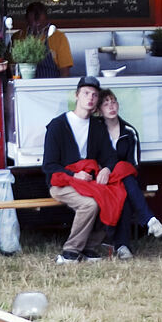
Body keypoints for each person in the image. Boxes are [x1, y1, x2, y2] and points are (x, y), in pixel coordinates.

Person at [42, 77, 115, 262]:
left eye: (94, 95)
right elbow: (49, 165)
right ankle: (71, 251)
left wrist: (106, 168)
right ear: (77, 96)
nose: (90, 98)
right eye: (86, 93)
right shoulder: (58, 126)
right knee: (89, 204)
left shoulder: (97, 127)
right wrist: (74, 174)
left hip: (88, 183)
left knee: (113, 196)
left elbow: (109, 156)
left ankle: (89, 247)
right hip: (61, 183)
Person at [97, 89, 162, 256]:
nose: (111, 106)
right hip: (101, 179)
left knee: (125, 180)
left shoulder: (129, 131)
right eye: (106, 104)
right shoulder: (95, 130)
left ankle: (122, 246)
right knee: (124, 181)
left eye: (113, 102)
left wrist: (115, 172)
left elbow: (133, 164)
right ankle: (149, 221)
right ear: (99, 109)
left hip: (123, 179)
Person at [18, 2, 72, 78]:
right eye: (32, 24)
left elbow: (65, 71)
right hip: (24, 86)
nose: (36, 28)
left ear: (47, 21)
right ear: (26, 21)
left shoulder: (58, 37)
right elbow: (12, 68)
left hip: (52, 86)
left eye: (40, 25)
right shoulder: (19, 37)